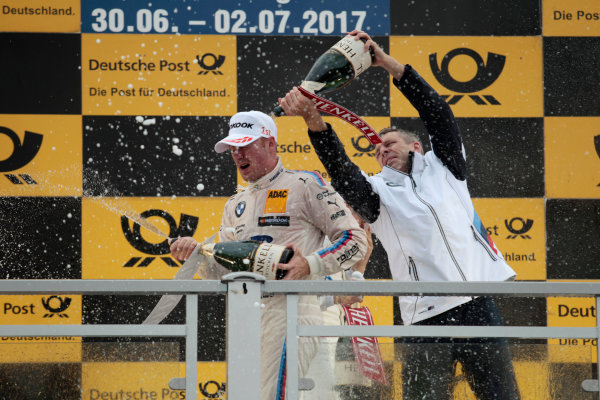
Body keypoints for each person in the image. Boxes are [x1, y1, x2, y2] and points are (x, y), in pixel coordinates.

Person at [279, 30, 520, 399]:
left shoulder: (447, 169)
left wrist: (387, 63)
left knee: (502, 396)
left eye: (389, 143)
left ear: (416, 146)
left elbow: (437, 111)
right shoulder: (378, 195)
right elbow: (342, 170)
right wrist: (313, 119)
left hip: (478, 303)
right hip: (424, 315)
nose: (381, 151)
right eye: (376, 150)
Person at [169, 110, 369, 400]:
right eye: (233, 149)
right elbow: (222, 273)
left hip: (292, 308)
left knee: (275, 396)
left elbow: (355, 239)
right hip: (243, 313)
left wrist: (309, 264)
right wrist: (195, 257)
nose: (238, 155)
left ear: (271, 144)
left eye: (246, 145)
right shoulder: (235, 202)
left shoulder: (304, 184)